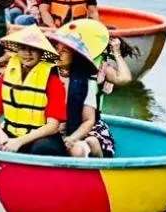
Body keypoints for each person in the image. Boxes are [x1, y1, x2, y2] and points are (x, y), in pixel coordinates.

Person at [0, 26, 67, 156]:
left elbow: (53, 126)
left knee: (43, 150)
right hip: (9, 132)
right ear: (17, 51)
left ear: (41, 53)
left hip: (39, 137)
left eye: (33, 49)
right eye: (23, 49)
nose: (27, 53)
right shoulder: (7, 75)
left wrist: (19, 141)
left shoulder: (53, 81)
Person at [50, 20, 118, 158]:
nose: (59, 54)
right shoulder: (47, 74)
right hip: (53, 128)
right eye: (56, 49)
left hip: (81, 127)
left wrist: (72, 138)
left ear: (74, 56)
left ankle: (99, 166)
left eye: (65, 51)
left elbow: (88, 120)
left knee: (84, 146)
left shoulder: (85, 81)